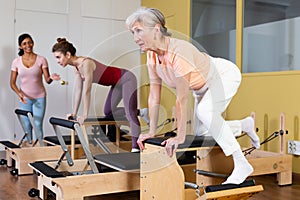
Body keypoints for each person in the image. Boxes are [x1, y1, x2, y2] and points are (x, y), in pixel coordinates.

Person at [126, 7, 261, 184]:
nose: (135, 38)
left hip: (222, 75)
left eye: (138, 31)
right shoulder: (152, 56)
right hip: (201, 86)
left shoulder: (178, 53)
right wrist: (151, 131)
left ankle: (241, 163)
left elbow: (182, 98)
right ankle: (244, 125)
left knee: (205, 112)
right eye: (132, 33)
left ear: (156, 29)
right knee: (202, 131)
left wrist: (180, 137)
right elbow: (154, 95)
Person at [52, 38, 141, 152]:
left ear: (68, 54)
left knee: (130, 114)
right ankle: (141, 112)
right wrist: (74, 113)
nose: (57, 61)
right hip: (115, 83)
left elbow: (87, 90)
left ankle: (135, 148)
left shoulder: (86, 63)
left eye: (58, 57)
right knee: (108, 112)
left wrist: (85, 114)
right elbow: (78, 90)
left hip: (127, 78)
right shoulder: (76, 68)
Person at [10, 33, 60, 142]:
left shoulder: (41, 60)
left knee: (37, 124)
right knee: (27, 127)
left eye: (29, 42)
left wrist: (51, 77)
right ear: (20, 46)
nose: (28, 45)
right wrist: (20, 94)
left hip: (40, 97)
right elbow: (12, 83)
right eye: (24, 43)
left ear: (33, 43)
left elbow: (47, 80)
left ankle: (40, 150)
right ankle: (30, 151)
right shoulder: (16, 62)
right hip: (25, 99)